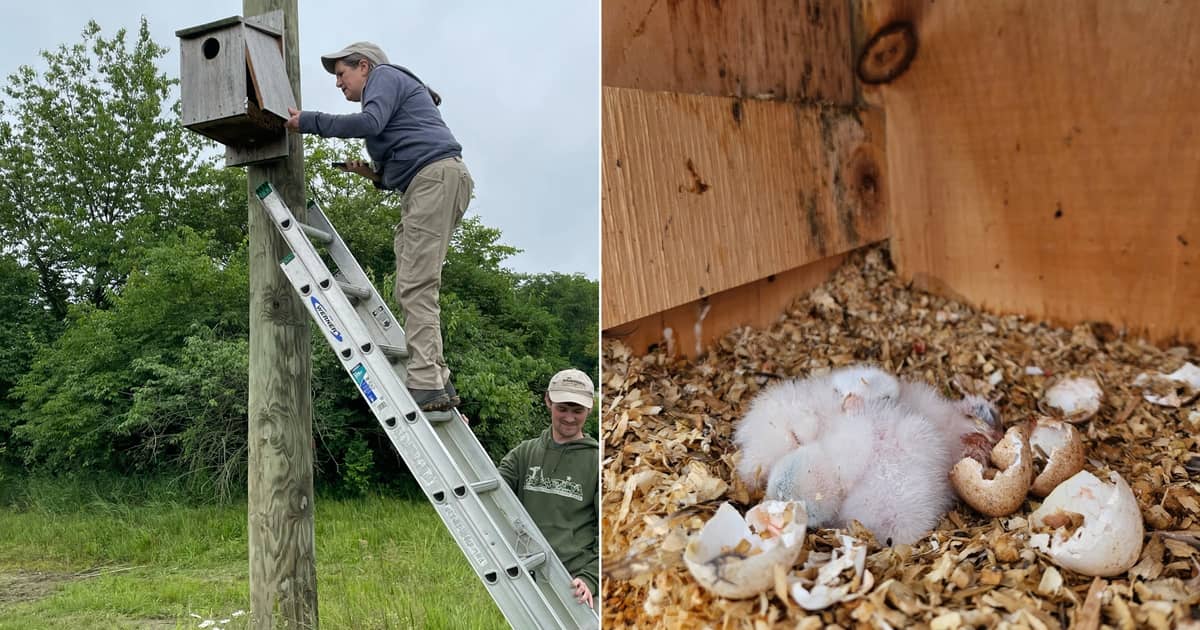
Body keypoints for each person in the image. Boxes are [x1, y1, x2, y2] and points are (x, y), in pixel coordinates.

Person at [285, 42, 473, 412]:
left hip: (434, 180)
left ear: (365, 67)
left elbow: (369, 123)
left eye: (342, 74)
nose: (339, 83)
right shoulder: (391, 101)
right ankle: (437, 376)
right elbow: (399, 163)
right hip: (429, 181)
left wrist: (309, 122)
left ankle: (425, 381)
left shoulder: (385, 77)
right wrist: (372, 174)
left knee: (416, 284)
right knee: (412, 278)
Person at [498, 368, 599, 608]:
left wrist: (591, 578)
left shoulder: (597, 461)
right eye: (562, 408)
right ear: (547, 400)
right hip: (527, 574)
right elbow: (488, 487)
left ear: (590, 408)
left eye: (578, 410)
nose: (569, 418)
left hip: (575, 584)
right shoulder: (524, 453)